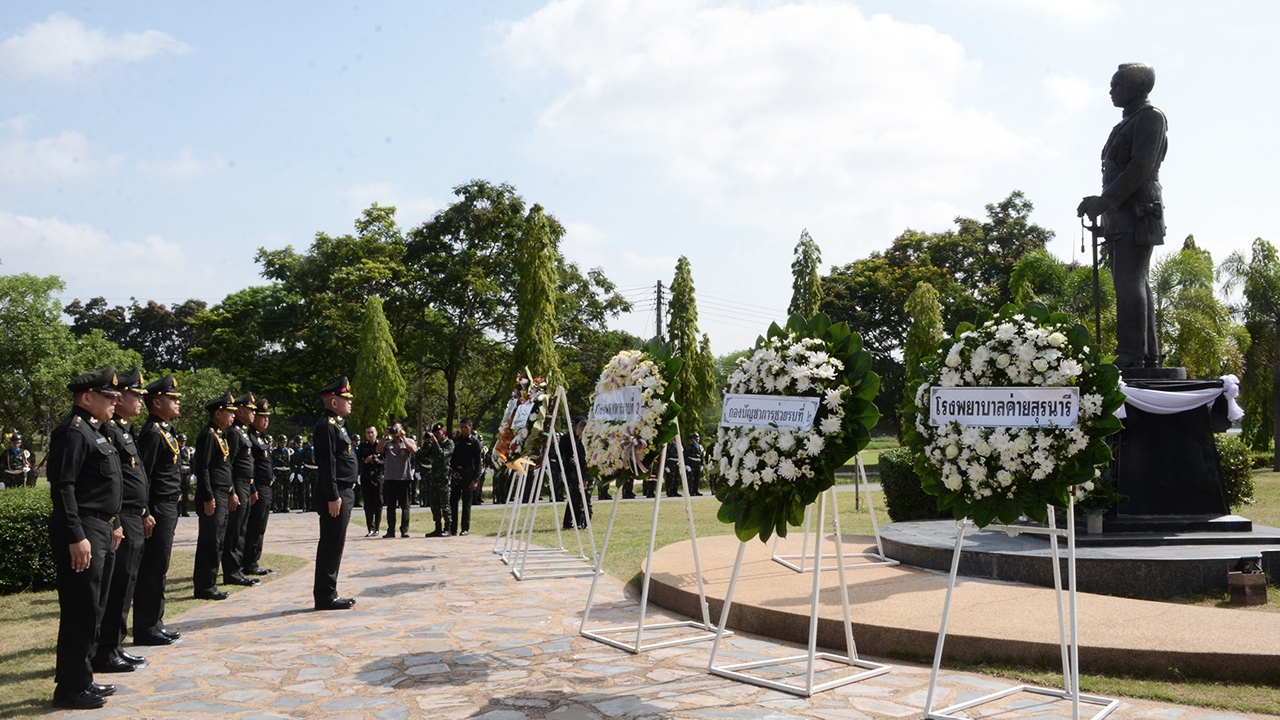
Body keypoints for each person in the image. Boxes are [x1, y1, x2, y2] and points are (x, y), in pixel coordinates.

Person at [1077, 62, 1167, 370]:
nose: (1112, 90)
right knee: (1133, 282)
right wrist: (1103, 204)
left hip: (1139, 211)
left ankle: (1132, 355)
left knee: (1130, 282)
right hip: (1121, 214)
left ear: (1140, 86)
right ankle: (1146, 353)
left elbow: (1140, 167)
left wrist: (1105, 200)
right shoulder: (1125, 124)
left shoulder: (1150, 118)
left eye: (1118, 85)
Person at [47, 367, 124, 710]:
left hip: (102, 527)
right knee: (81, 608)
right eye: (109, 397)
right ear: (86, 397)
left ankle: (84, 678)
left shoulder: (97, 431)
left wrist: (116, 522)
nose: (115, 402)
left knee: (95, 606)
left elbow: (105, 485)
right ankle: (71, 688)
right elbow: (63, 487)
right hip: (84, 528)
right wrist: (76, 535)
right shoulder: (74, 432)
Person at [94, 368, 152, 674]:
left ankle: (116, 644)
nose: (137, 401)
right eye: (134, 396)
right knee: (118, 585)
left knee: (127, 582)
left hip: (134, 513)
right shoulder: (111, 431)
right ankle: (107, 648)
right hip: (123, 516)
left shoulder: (125, 431)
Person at [132, 372, 184, 647]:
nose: (177, 403)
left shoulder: (165, 430)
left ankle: (155, 622)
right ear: (157, 403)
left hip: (169, 504)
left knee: (160, 565)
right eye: (171, 399)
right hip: (158, 506)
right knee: (153, 567)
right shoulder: (152, 433)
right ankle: (146, 627)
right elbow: (146, 475)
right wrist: (147, 510)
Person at [313, 377, 357, 610]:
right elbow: (327, 464)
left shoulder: (337, 425)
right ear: (333, 401)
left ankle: (330, 591)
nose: (349, 402)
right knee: (330, 544)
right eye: (345, 398)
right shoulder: (327, 426)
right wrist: (332, 496)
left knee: (335, 544)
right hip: (336, 493)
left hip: (343, 491)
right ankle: (325, 595)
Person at [193, 393, 237, 601]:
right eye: (229, 412)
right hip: (213, 495)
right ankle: (204, 586)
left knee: (218, 540)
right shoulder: (208, 435)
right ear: (218, 413)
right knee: (210, 541)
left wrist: (230, 491)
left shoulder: (220, 434)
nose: (232, 416)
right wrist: (207, 496)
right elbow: (202, 468)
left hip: (222, 491)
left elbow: (224, 468)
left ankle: (210, 583)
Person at [220, 393, 259, 588]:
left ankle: (239, 568)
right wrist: (232, 491)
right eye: (250, 410)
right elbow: (230, 463)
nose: (253, 413)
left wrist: (251, 487)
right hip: (237, 483)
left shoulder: (243, 432)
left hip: (246, 484)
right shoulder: (234, 433)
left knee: (242, 528)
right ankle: (231, 571)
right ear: (241, 410)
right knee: (234, 530)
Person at [242, 397, 276, 576]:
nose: (265, 420)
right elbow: (251, 466)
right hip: (258, 487)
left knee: (261, 525)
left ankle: (255, 558)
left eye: (267, 417)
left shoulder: (260, 438)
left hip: (267, 486)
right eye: (262, 417)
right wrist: (253, 488)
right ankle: (248, 561)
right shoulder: (249, 437)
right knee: (254, 525)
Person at [379, 422, 416, 538]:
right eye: (394, 429)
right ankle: (391, 530)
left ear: (402, 429)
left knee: (405, 506)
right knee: (390, 506)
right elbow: (378, 450)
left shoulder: (409, 440)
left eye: (397, 429)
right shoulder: (388, 442)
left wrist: (403, 437)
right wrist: (384, 436)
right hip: (390, 478)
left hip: (404, 478)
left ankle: (404, 530)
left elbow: (413, 450)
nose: (395, 432)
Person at [420, 423, 453, 537]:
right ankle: (437, 527)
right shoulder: (433, 444)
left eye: (438, 433)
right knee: (434, 505)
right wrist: (426, 444)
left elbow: (442, 455)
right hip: (433, 478)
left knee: (445, 505)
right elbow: (421, 456)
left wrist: (435, 443)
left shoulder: (449, 443)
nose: (436, 435)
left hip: (444, 479)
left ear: (444, 432)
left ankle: (448, 528)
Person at [449, 418, 482, 536]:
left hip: (469, 474)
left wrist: (475, 479)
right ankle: (452, 528)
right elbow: (452, 459)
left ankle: (465, 528)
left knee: (466, 503)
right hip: (456, 474)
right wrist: (452, 471)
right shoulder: (456, 441)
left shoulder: (474, 442)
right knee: (453, 501)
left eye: (465, 427)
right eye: (461, 427)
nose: (463, 429)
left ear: (470, 427)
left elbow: (478, 462)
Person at [559, 417, 591, 530]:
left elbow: (586, 462)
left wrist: (585, 478)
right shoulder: (578, 441)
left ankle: (584, 522)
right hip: (575, 474)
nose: (575, 429)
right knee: (574, 499)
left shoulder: (585, 442)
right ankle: (571, 522)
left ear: (582, 429)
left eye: (577, 427)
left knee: (584, 499)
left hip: (582, 475)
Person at [357, 426, 383, 536]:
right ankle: (370, 528)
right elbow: (357, 462)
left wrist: (378, 461)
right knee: (368, 502)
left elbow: (387, 461)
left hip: (378, 476)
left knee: (378, 501)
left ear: (376, 433)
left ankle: (377, 527)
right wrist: (365, 461)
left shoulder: (381, 445)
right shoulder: (362, 447)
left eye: (372, 432)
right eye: (368, 433)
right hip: (366, 476)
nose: (370, 434)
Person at [271, 435, 292, 513]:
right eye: (282, 442)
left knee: (287, 491)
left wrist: (292, 473)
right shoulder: (274, 452)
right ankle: (278, 507)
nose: (283, 444)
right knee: (278, 491)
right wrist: (272, 473)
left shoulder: (289, 451)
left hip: (286, 472)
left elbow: (291, 463)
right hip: (278, 472)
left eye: (285, 442)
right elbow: (272, 463)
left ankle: (286, 506)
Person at [177, 434, 194, 517]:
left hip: (186, 472)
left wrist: (193, 474)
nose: (182, 442)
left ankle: (184, 510)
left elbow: (192, 462)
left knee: (185, 492)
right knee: (177, 491)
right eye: (181, 441)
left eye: (183, 441)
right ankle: (177, 510)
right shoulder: (176, 449)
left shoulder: (188, 450)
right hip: (178, 472)